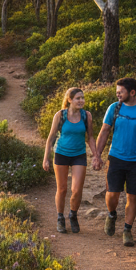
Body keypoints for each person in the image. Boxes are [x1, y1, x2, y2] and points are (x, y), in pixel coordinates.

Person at [94, 77, 136, 247]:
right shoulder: (114, 108)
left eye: (121, 91)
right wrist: (97, 155)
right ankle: (112, 214)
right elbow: (104, 131)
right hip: (116, 158)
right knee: (112, 194)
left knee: (133, 197)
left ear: (132, 92)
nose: (118, 94)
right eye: (117, 91)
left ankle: (127, 230)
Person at [42, 87, 100, 234]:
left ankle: (73, 215)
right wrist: (46, 159)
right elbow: (51, 138)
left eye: (82, 98)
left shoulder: (87, 116)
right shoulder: (60, 115)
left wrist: (96, 155)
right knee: (62, 189)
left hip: (79, 154)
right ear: (70, 100)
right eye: (78, 98)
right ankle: (60, 217)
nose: (81, 101)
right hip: (61, 153)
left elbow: (91, 137)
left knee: (77, 190)